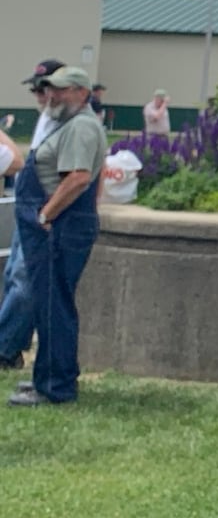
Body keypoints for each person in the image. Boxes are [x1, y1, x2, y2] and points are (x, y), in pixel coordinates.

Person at [7, 66, 108, 406]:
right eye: (49, 89)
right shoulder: (70, 124)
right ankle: (47, 377)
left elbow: (78, 178)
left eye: (61, 90)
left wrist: (45, 214)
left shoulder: (80, 126)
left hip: (59, 229)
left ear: (82, 92)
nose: (51, 95)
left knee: (54, 307)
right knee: (49, 304)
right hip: (58, 227)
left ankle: (55, 387)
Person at [0, 59, 65, 372]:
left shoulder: (72, 123)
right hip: (29, 205)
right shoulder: (47, 118)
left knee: (24, 281)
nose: (40, 95)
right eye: (36, 89)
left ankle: (3, 349)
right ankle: (11, 348)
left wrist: (47, 213)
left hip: (44, 209)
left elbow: (15, 161)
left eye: (45, 88)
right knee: (14, 275)